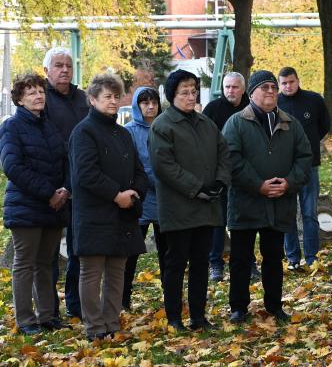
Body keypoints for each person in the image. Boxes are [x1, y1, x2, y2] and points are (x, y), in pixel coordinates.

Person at [223, 71, 312, 324]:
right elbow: (231, 159)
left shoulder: (290, 123)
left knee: (274, 257)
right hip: (245, 202)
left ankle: (274, 305)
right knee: (241, 258)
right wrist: (257, 185)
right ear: (251, 93)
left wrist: (290, 182)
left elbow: (305, 158)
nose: (272, 91)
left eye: (274, 87)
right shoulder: (236, 123)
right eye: (265, 87)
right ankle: (238, 307)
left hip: (279, 202)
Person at [150, 70, 231, 331]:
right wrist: (196, 188)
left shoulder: (205, 123)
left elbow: (223, 152)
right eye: (184, 92)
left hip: (206, 208)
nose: (190, 96)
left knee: (200, 263)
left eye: (194, 91)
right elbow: (164, 166)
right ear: (172, 95)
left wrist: (219, 181)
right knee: (175, 264)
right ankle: (174, 317)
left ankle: (198, 316)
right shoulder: (163, 126)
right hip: (179, 209)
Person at [69, 74, 148, 340]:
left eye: (116, 96)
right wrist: (116, 195)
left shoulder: (123, 133)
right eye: (107, 97)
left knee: (117, 272)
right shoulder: (83, 132)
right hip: (95, 213)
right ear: (92, 100)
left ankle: (112, 323)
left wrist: (135, 192)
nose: (113, 102)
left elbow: (138, 169)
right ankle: (94, 327)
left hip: (124, 212)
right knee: (91, 273)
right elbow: (86, 174)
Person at [1, 73, 70, 335]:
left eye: (41, 91)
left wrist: (64, 190)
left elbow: (65, 161)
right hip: (27, 207)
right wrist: (48, 192)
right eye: (31, 92)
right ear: (19, 99)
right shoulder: (12, 127)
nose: (38, 96)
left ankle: (47, 316)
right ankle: (25, 320)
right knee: (25, 264)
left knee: (45, 263)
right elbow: (13, 166)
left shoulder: (48, 125)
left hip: (54, 206)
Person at [43, 47, 88, 321]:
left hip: (77, 186)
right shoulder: (39, 99)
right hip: (48, 190)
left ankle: (75, 303)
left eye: (68, 66)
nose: (64, 70)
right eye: (58, 65)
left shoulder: (83, 99)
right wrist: (54, 188)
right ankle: (50, 311)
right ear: (47, 70)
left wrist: (70, 186)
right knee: (48, 257)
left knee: (78, 251)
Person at [277, 67, 330, 271]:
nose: (288, 86)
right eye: (284, 83)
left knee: (310, 213)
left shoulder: (314, 100)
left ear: (298, 80)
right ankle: (292, 258)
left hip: (309, 166)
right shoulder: (276, 103)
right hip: (285, 168)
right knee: (287, 214)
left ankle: (311, 257)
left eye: (291, 82)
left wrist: (311, 144)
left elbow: (324, 125)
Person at [121, 87, 166, 311]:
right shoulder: (128, 131)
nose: (150, 106)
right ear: (137, 105)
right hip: (139, 197)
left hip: (165, 197)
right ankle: (123, 299)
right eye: (144, 102)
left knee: (167, 252)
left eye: (154, 102)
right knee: (130, 253)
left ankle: (171, 296)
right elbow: (130, 163)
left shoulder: (166, 127)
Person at [202, 72, 250, 282]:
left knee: (246, 220)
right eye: (227, 87)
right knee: (218, 220)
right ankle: (215, 264)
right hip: (219, 172)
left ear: (243, 88)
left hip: (246, 173)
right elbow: (202, 139)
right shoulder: (213, 109)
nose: (230, 91)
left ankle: (249, 262)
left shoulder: (251, 108)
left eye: (235, 87)